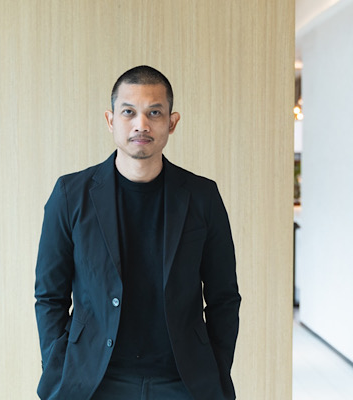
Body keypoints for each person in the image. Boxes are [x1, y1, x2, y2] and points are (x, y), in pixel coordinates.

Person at [35, 65, 241, 400]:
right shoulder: (71, 194)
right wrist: (58, 367)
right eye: (128, 112)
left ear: (172, 122)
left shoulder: (202, 196)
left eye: (154, 112)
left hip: (182, 382)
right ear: (110, 120)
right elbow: (49, 295)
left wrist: (215, 368)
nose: (141, 124)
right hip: (94, 381)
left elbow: (224, 296)